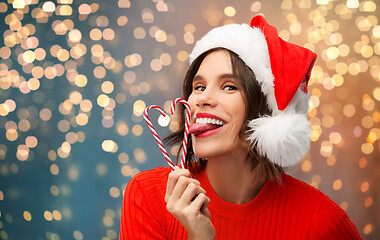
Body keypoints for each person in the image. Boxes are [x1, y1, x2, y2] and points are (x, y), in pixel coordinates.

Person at [119, 15, 362, 240]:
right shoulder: (149, 197)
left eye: (229, 86)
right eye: (199, 86)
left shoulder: (322, 222)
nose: (202, 99)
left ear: (267, 111)